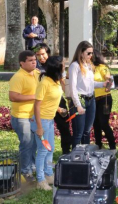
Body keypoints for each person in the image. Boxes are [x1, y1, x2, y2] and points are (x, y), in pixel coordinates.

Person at [31, 56, 64, 191]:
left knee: (50, 149)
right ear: (57, 68)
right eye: (63, 65)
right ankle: (40, 180)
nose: (64, 66)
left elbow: (49, 100)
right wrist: (39, 127)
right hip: (42, 121)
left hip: (49, 120)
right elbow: (37, 106)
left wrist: (59, 109)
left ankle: (49, 174)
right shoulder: (45, 82)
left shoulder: (55, 81)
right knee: (43, 151)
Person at [69, 41, 110, 148]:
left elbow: (90, 84)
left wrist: (103, 84)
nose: (91, 55)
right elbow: (73, 87)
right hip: (80, 99)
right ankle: (75, 158)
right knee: (79, 132)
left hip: (91, 99)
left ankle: (85, 156)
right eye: (88, 53)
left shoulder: (89, 65)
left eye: (92, 53)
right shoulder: (75, 66)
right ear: (81, 52)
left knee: (87, 130)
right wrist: (77, 105)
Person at [34, 43, 72, 154]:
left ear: (48, 53)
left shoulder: (56, 64)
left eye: (43, 54)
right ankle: (41, 158)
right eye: (38, 55)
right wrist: (57, 109)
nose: (41, 57)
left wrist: (70, 98)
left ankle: (66, 153)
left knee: (64, 128)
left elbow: (63, 82)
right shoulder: (35, 68)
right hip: (44, 104)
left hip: (57, 100)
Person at [8, 50, 39, 182]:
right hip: (22, 117)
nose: (34, 62)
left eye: (34, 60)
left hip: (34, 115)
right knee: (26, 144)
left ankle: (31, 166)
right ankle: (25, 171)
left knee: (34, 144)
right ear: (22, 63)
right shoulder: (18, 77)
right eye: (30, 61)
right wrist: (34, 96)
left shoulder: (37, 73)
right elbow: (13, 97)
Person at [92, 49, 116, 150]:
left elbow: (108, 78)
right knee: (95, 123)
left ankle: (112, 146)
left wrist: (108, 84)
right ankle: (98, 145)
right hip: (93, 99)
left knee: (103, 123)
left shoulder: (102, 67)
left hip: (104, 99)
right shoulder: (89, 68)